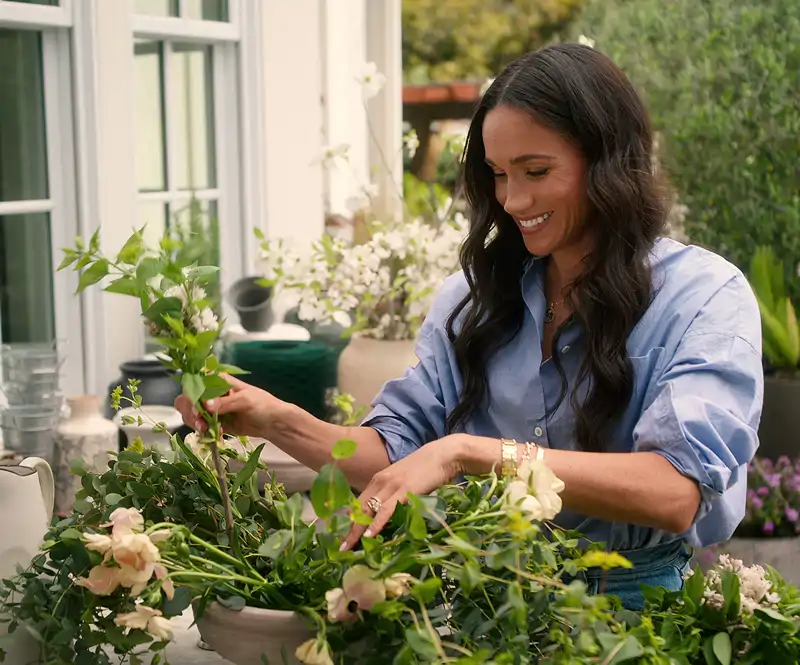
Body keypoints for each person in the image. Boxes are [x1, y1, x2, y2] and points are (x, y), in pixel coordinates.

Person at [176, 44, 763, 611]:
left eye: (536, 170)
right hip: (484, 608)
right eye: (498, 174)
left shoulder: (703, 297)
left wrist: (469, 453)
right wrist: (275, 419)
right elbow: (394, 453)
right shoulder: (476, 300)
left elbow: (674, 493)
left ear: (608, 162)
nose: (512, 199)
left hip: (634, 621)